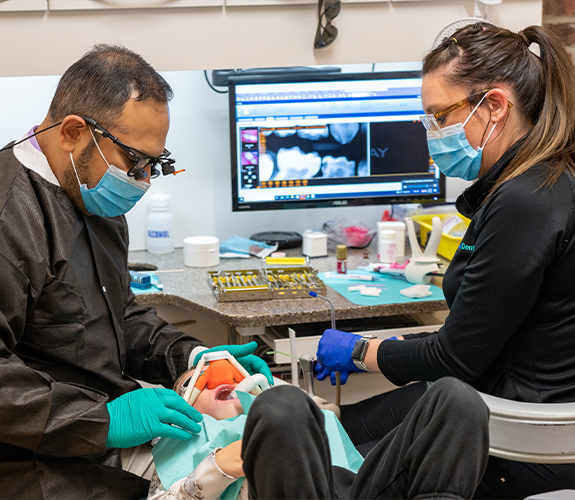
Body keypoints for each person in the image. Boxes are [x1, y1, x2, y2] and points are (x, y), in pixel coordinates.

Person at [0, 44, 271, 500]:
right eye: (135, 161)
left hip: (95, 442)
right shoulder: (11, 215)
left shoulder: (88, 188)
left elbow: (116, 312)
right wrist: (104, 421)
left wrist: (192, 360)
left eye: (155, 165)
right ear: (72, 133)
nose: (143, 180)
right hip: (33, 461)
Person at [316, 23, 575, 498]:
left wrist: (359, 351)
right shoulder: (547, 178)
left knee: (329, 466)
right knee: (337, 430)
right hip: (500, 397)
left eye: (439, 117)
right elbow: (488, 328)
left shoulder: (527, 200)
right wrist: (392, 344)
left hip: (523, 435)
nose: (432, 133)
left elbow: (454, 356)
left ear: (494, 106)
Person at [149, 362, 490, 500]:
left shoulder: (291, 409)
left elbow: (325, 411)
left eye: (237, 376)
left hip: (341, 488)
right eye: (205, 381)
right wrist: (223, 464)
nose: (227, 379)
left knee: (456, 398)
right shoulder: (183, 449)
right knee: (282, 406)